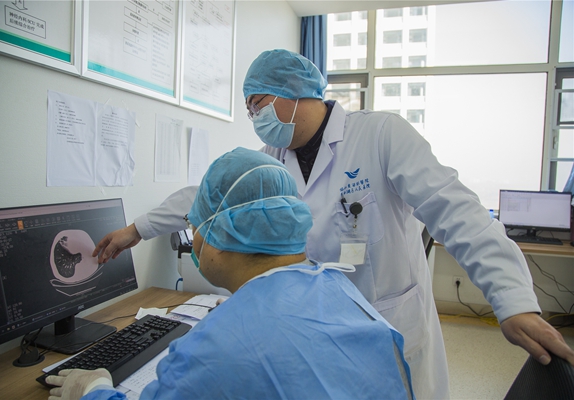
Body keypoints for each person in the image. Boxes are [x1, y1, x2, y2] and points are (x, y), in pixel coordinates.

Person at [94, 50, 574, 399]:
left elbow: (456, 210)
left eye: (258, 103)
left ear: (293, 91)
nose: (254, 116)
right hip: (315, 322)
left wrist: (512, 300)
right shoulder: (273, 157)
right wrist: (137, 229)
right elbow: (210, 194)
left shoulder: (381, 134)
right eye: (250, 109)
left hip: (388, 320)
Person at [48, 148, 414, 400]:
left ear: (224, 235)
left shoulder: (214, 349)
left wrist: (93, 389)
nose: (193, 237)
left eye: (195, 224)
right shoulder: (338, 288)